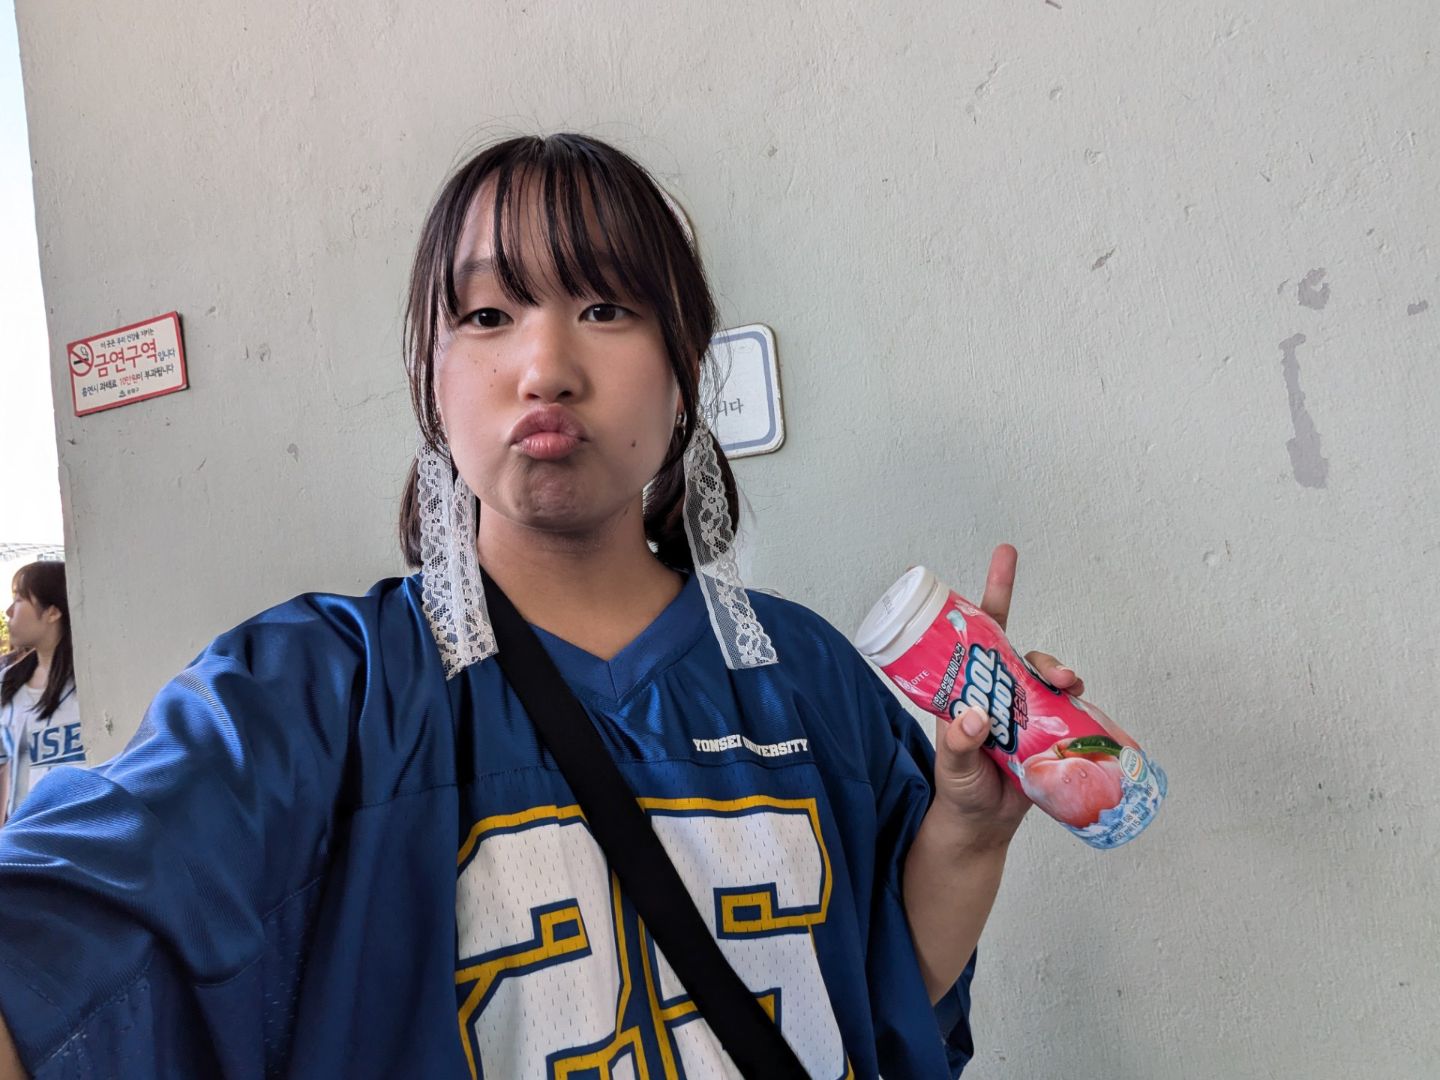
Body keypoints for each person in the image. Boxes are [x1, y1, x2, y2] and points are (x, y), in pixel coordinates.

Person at [0, 134, 1091, 1079]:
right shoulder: (315, 693)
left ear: (684, 370)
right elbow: (65, 932)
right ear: (433, 376)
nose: (545, 365)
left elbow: (882, 996)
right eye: (486, 313)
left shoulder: (805, 674)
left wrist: (968, 837)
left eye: (607, 307)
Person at [0, 563, 82, 825]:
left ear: (53, 612)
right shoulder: (7, 683)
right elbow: (4, 768)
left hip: (86, 841)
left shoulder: (93, 682)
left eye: (20, 599)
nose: (9, 611)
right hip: (24, 845)